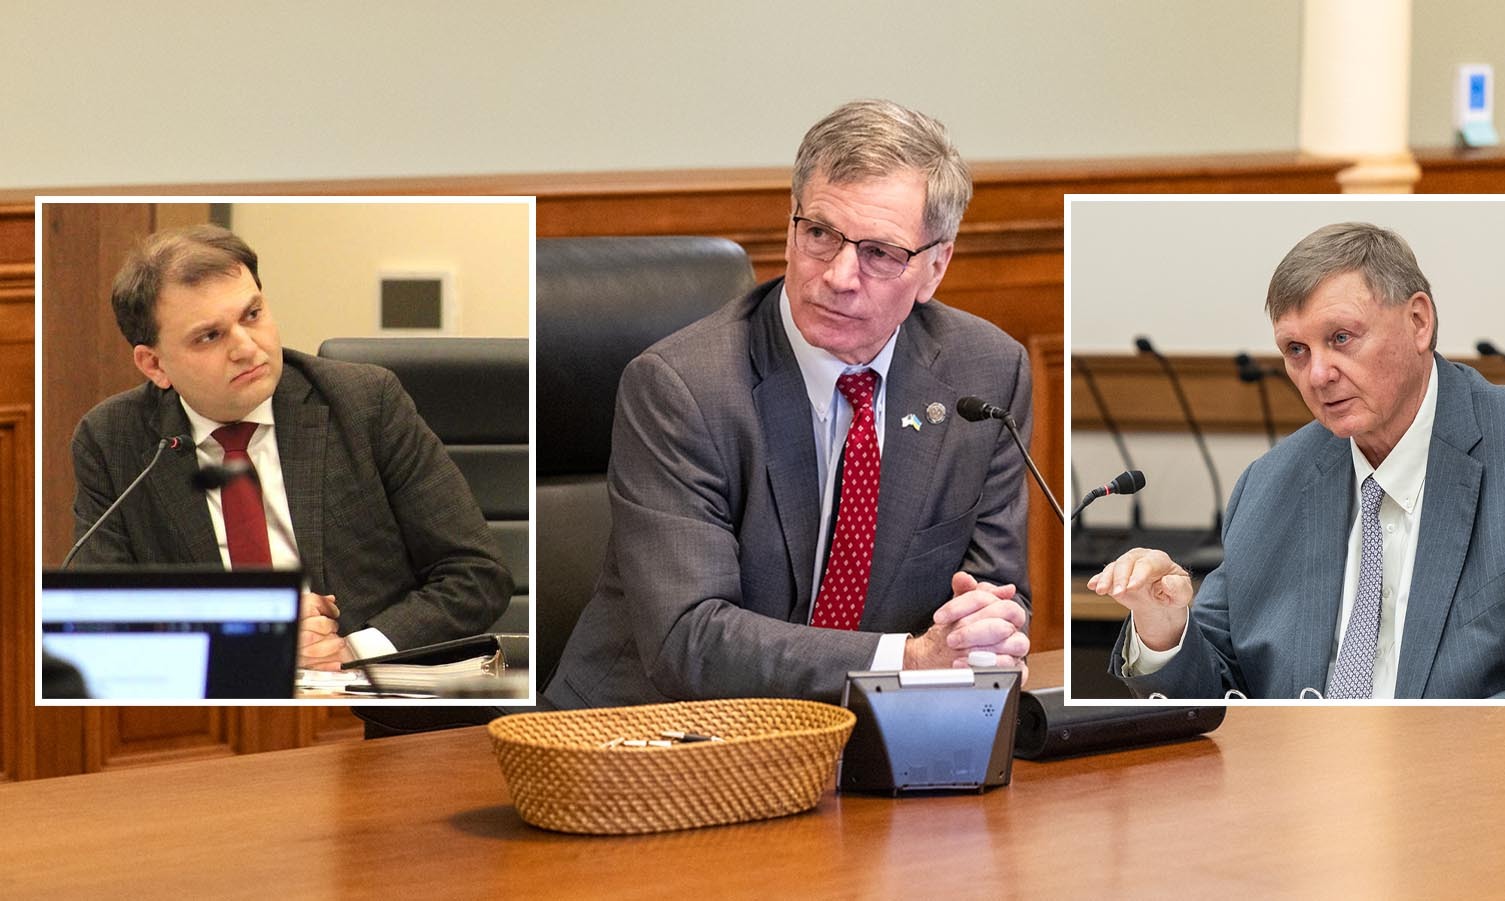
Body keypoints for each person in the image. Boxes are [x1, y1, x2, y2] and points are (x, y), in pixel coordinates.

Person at [545, 99, 1034, 708]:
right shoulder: (682, 388)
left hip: (873, 737)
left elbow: (995, 592)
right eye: (821, 235)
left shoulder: (985, 372)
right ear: (791, 225)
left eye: (880, 253)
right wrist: (904, 662)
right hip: (653, 740)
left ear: (935, 268)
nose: (838, 276)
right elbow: (689, 638)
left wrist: (984, 633)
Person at [1090, 222, 1505, 699]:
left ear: (1419, 322)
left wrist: (1431, 758)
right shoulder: (1270, 485)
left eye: (1340, 338)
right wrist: (1163, 626)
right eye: (1296, 350)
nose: (1317, 374)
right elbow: (1216, 691)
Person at [69, 224, 512, 669]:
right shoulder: (114, 439)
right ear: (154, 364)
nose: (246, 348)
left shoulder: (363, 403)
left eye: (252, 314)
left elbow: (477, 574)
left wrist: (350, 651)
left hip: (366, 693)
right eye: (210, 336)